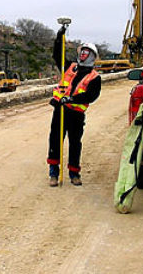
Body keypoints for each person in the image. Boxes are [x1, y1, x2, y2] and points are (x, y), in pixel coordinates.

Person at [47, 26, 102, 187]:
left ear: (92, 56)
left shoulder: (95, 77)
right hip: (60, 111)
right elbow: (57, 55)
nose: (83, 54)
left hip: (76, 115)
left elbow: (91, 96)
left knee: (75, 143)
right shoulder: (70, 67)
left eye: (86, 52)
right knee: (55, 141)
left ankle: (74, 173)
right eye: (82, 51)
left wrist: (71, 99)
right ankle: (53, 173)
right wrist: (60, 37)